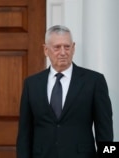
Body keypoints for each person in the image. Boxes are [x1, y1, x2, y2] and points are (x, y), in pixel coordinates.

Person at [16, 25, 113, 158]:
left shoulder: (94, 81)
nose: (63, 52)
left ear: (73, 48)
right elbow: (24, 133)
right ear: (46, 50)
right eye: (57, 47)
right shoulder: (31, 84)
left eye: (67, 47)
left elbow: (105, 131)